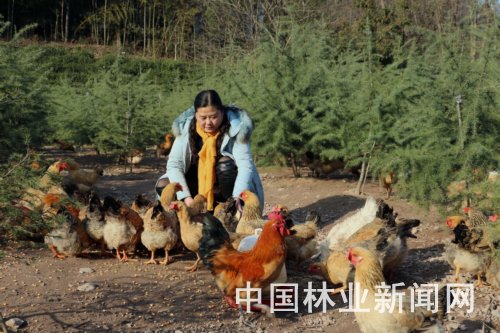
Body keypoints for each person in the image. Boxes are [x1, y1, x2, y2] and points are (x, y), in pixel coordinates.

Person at [155, 89, 264, 212]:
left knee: (226, 164)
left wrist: (237, 197)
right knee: (164, 185)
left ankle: (230, 211)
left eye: (213, 117)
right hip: (193, 187)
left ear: (222, 112)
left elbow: (245, 166)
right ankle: (182, 219)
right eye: (203, 118)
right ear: (195, 115)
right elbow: (175, 165)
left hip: (225, 189)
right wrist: (186, 197)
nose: (208, 123)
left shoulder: (237, 128)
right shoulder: (185, 129)